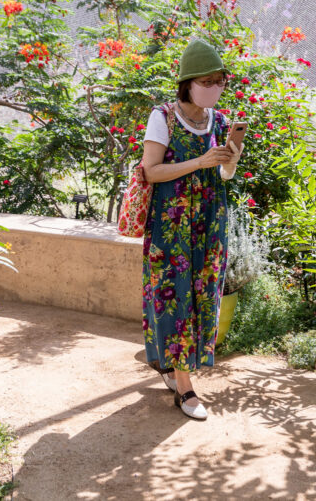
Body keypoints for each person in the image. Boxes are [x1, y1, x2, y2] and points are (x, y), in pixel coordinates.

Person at [140, 37, 244, 420]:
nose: (215, 87)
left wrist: (229, 160)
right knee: (175, 295)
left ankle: (172, 366)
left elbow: (222, 175)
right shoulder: (163, 116)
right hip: (172, 224)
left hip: (210, 221)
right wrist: (199, 162)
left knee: (204, 296)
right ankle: (184, 387)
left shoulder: (217, 120)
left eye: (220, 80)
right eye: (208, 80)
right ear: (188, 82)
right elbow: (151, 171)